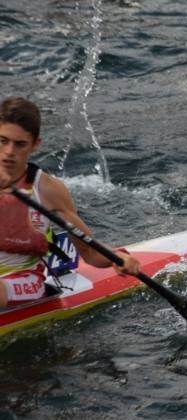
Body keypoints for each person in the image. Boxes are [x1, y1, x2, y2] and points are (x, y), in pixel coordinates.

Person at [0, 97, 141, 307]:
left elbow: (90, 252)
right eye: (3, 141)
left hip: (24, 279)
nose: (9, 152)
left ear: (35, 145)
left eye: (20, 144)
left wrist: (118, 257)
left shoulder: (48, 190)